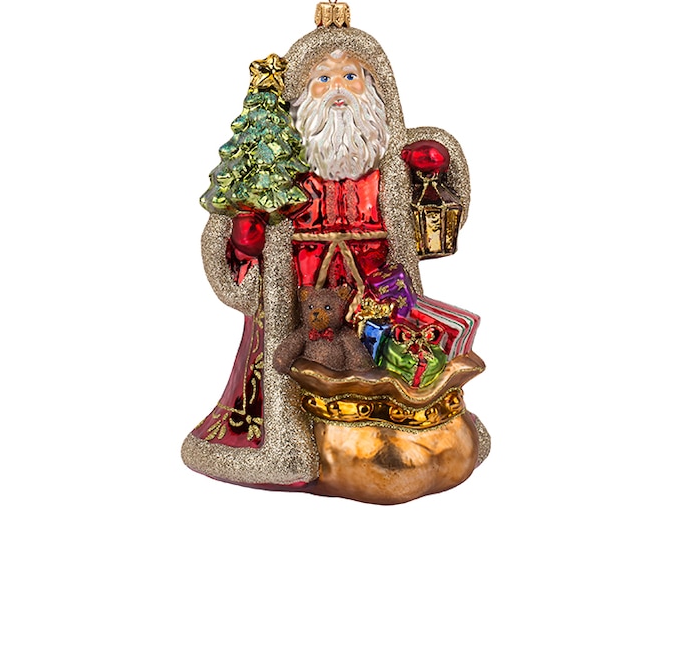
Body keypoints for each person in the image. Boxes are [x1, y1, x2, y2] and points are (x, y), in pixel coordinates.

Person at [182, 27, 487, 490]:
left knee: (392, 356)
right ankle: (295, 440)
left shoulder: (389, 170)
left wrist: (436, 167)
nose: (337, 89)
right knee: (297, 364)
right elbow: (229, 240)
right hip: (304, 302)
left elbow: (437, 216)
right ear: (301, 97)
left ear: (375, 90)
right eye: (322, 79)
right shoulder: (282, 177)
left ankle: (408, 426)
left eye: (350, 76)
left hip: (377, 298)